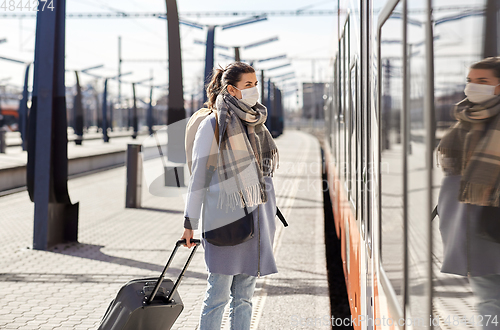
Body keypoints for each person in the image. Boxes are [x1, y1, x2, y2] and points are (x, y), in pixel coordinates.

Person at [181, 61, 280, 330]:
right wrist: (189, 223)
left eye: (255, 84)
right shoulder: (213, 124)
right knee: (218, 297)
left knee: (245, 299)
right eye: (248, 85)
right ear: (232, 90)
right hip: (225, 222)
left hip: (258, 223)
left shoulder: (257, 122)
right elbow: (198, 178)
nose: (254, 90)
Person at [437, 57, 500, 330]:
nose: (473, 87)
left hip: (490, 220)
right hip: (471, 223)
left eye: (483, 81)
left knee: (489, 298)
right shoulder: (466, 116)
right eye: (470, 80)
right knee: (488, 297)